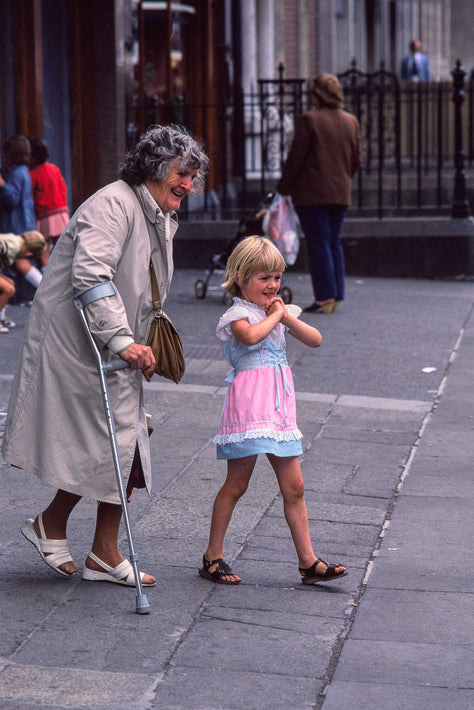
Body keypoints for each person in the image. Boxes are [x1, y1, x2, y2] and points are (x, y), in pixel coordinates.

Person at [2, 124, 208, 586]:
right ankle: (76, 538)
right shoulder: (113, 204)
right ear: (155, 169)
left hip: (111, 345)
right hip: (78, 346)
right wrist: (121, 338)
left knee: (120, 443)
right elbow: (91, 275)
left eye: (193, 177)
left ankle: (89, 546)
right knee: (114, 443)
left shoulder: (150, 208)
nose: (189, 185)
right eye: (182, 174)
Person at [199, 236, 347, 586]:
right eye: (263, 278)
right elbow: (250, 337)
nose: (272, 285)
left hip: (279, 409)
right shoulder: (237, 315)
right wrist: (276, 315)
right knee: (237, 483)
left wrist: (284, 316)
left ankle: (308, 562)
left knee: (294, 485)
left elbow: (315, 339)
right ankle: (212, 556)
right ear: (240, 277)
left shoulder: (278, 312)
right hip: (249, 407)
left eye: (277, 277)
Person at [276, 74, 361, 314]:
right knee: (334, 242)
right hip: (341, 192)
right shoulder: (350, 121)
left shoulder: (309, 120)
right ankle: (336, 294)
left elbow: (295, 159)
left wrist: (282, 188)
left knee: (319, 243)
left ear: (318, 96)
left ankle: (324, 297)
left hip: (312, 194)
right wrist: (343, 177)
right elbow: (357, 160)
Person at [0, 135, 43, 297]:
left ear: (13, 154)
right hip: (23, 222)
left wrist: (3, 185)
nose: (4, 157)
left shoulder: (17, 173)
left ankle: (46, 289)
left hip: (17, 225)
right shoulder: (22, 172)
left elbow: (13, 199)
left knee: (18, 263)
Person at [28, 137, 70, 269]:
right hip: (60, 212)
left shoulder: (32, 174)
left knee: (43, 250)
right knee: (64, 249)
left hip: (44, 215)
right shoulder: (54, 168)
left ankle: (45, 279)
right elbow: (63, 188)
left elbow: (31, 197)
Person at [0, 230, 45, 332]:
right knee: (8, 289)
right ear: (29, 253)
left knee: (10, 283)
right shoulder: (13, 247)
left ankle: (1, 317)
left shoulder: (14, 240)